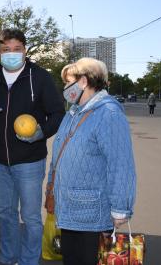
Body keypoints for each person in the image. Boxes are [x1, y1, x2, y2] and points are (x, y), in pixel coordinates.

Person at [0, 28, 65, 265]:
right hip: (1, 161)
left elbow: (57, 113)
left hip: (30, 161)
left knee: (31, 218)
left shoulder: (39, 77)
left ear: (25, 50)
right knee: (5, 214)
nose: (11, 54)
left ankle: (28, 261)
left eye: (16, 49)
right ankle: (7, 258)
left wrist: (41, 133)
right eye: (6, 50)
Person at [46, 58, 136, 265]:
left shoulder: (109, 114)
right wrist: (51, 191)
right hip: (68, 210)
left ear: (83, 81)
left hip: (92, 216)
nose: (65, 87)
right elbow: (59, 155)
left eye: (69, 82)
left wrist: (120, 208)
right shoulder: (73, 113)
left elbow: (121, 165)